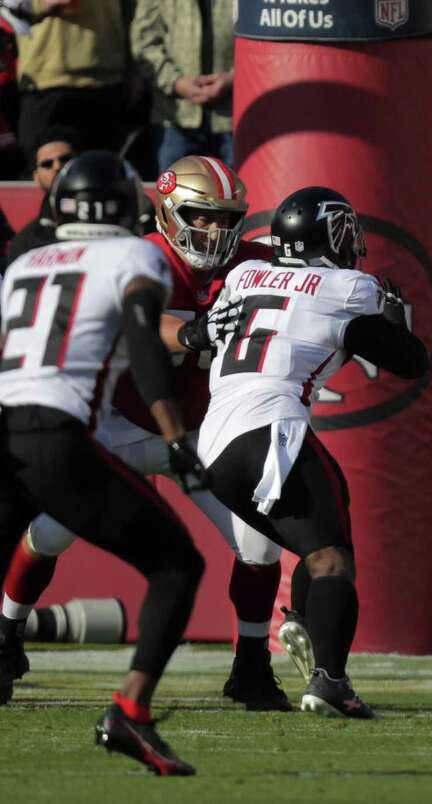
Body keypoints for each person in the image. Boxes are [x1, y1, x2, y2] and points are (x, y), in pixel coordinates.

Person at [0, 156, 296, 712]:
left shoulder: (252, 262)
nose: (214, 230)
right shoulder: (139, 256)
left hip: (202, 429)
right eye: (201, 216)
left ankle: (251, 664)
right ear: (164, 209)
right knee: (50, 532)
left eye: (227, 219)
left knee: (258, 544)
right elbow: (145, 323)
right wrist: (192, 330)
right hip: (121, 422)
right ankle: (8, 631)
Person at [0, 151, 208, 774]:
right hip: (55, 435)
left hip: (5, 430)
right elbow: (145, 347)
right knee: (177, 565)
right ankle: (130, 712)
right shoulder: (131, 255)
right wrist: (175, 437)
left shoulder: (24, 263)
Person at [199, 186, 429, 718]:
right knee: (332, 561)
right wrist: (395, 321)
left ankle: (303, 617)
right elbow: (410, 362)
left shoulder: (242, 275)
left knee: (329, 511)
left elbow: (214, 331)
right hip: (269, 426)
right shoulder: (349, 287)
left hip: (216, 439)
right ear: (333, 234)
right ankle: (330, 679)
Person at [10, 0, 129, 156]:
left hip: (107, 81)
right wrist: (41, 5)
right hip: (44, 84)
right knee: (45, 170)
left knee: (103, 173)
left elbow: (135, 11)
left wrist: (135, 68)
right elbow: (8, 6)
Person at [130, 0, 236, 171]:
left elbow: (260, 40)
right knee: (174, 194)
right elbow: (143, 44)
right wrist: (175, 82)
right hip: (174, 118)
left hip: (232, 119)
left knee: (233, 193)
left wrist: (233, 78)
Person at [8, 125, 77, 262]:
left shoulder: (114, 221)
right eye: (47, 164)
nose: (57, 167)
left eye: (65, 159)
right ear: (36, 177)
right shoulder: (24, 243)